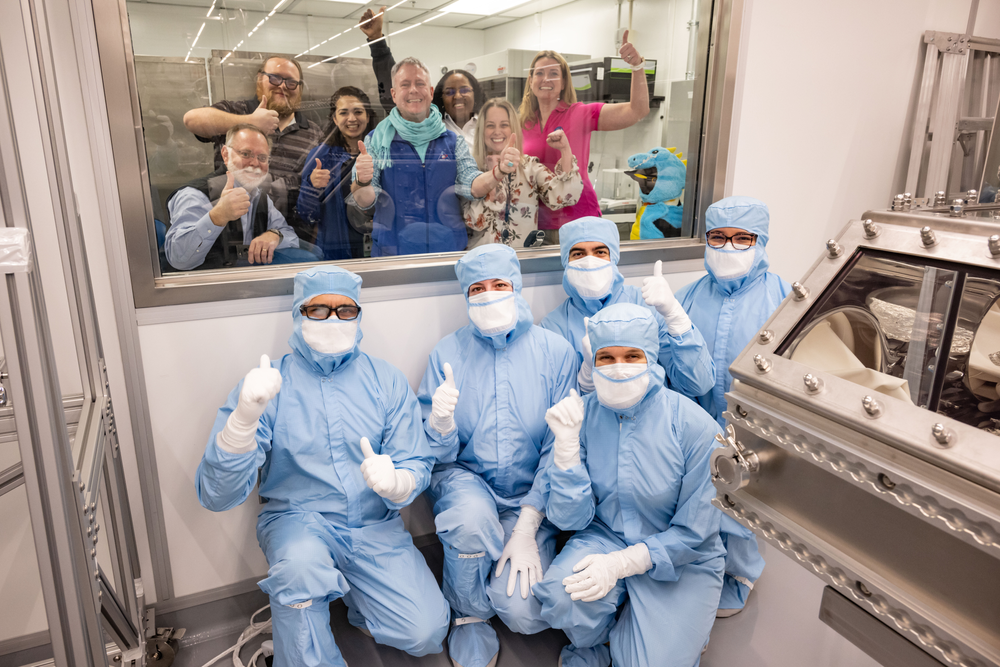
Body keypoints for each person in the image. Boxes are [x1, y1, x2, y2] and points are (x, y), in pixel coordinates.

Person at [194, 266, 450, 667]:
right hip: (299, 523)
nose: (333, 319)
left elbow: (416, 459)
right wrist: (242, 421)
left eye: (345, 310)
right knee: (300, 571)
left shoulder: (386, 381)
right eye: (319, 309)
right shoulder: (268, 385)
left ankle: (354, 599)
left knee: (426, 632)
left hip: (373, 527)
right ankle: (301, 623)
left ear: (360, 315)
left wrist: (399, 483)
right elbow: (216, 496)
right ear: (298, 314)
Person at [533, 303, 725, 667]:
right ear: (594, 362)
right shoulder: (582, 416)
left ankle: (669, 629)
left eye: (631, 356)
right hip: (606, 537)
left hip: (680, 557)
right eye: (606, 357)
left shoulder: (695, 427)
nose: (618, 366)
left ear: (652, 358)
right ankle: (596, 640)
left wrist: (626, 563)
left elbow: (697, 531)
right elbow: (570, 519)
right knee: (560, 599)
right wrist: (566, 453)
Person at [418, 244, 579, 667]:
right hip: (466, 484)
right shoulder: (446, 354)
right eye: (477, 288)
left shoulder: (555, 352)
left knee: (524, 614)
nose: (489, 295)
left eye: (500, 285)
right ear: (466, 295)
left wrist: (527, 527)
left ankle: (519, 549)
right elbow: (436, 457)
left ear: (517, 286)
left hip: (530, 497)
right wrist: (440, 425)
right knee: (470, 521)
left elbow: (557, 449)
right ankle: (468, 612)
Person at [676, 195, 790, 617]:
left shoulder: (785, 300)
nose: (728, 248)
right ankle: (700, 561)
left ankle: (742, 570)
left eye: (742, 238)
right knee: (698, 493)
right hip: (696, 416)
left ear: (760, 242)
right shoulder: (685, 298)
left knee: (742, 497)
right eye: (718, 238)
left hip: (754, 422)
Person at [350, 57, 518, 257]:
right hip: (393, 253)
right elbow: (364, 201)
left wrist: (498, 171)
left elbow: (472, 185)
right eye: (405, 85)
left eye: (420, 83)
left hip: (447, 250)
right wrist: (362, 181)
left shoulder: (452, 141)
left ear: (430, 93)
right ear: (394, 95)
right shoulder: (376, 141)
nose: (413, 90)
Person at [540, 217, 714, 401]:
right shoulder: (553, 327)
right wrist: (586, 380)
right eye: (578, 254)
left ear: (613, 257)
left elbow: (697, 384)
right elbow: (560, 405)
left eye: (600, 252)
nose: (589, 261)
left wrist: (674, 315)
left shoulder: (647, 305)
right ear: (565, 262)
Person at [518, 33, 650, 240]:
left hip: (578, 220)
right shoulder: (521, 123)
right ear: (531, 80)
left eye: (554, 73)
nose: (546, 79)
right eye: (539, 73)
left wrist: (636, 66)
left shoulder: (580, 113)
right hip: (532, 223)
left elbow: (637, 110)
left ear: (563, 83)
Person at [182, 56, 325, 235]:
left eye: (291, 82)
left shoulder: (313, 132)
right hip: (233, 231)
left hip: (288, 233)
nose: (282, 86)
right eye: (274, 78)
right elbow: (192, 120)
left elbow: (314, 188)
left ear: (300, 88)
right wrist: (250, 122)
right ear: (259, 79)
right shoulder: (238, 111)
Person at [165, 124, 311, 271]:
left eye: (262, 157)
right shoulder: (193, 195)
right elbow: (178, 259)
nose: (255, 163)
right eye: (246, 154)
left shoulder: (260, 197)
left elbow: (289, 234)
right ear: (225, 154)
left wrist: (274, 235)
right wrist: (217, 216)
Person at [464, 98, 583, 248]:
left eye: (504, 125)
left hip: (521, 262)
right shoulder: (471, 170)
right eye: (490, 126)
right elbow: (475, 221)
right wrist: (495, 175)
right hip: (483, 261)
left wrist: (565, 150)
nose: (497, 131)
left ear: (513, 128)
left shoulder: (529, 167)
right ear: (481, 130)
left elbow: (564, 197)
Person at [358, 6, 484, 146]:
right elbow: (396, 89)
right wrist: (377, 42)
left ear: (475, 93)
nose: (458, 96)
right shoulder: (430, 127)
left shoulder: (489, 125)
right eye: (450, 92)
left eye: (465, 90)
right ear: (437, 96)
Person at [296, 86, 378, 259]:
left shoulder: (381, 150)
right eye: (343, 113)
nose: (352, 119)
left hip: (378, 244)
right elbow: (306, 214)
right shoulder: (321, 156)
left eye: (358, 111)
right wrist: (312, 186)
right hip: (335, 248)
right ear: (334, 118)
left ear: (368, 115)